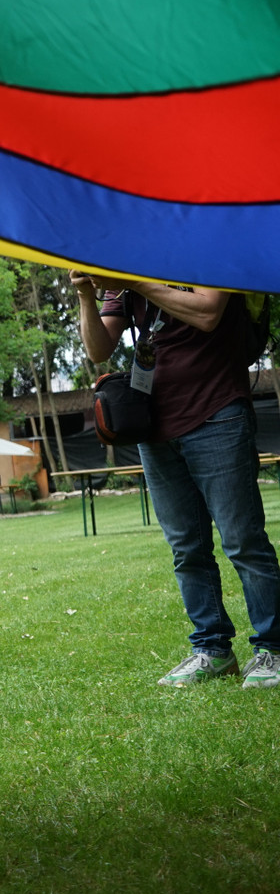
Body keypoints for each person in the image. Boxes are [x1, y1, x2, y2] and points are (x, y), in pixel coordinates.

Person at [72, 273, 280, 687]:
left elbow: (207, 312)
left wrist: (133, 283)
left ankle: (273, 649)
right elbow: (98, 349)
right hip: (152, 424)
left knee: (243, 540)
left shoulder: (203, 252)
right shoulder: (125, 274)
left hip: (218, 411)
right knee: (186, 548)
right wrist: (85, 294)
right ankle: (212, 650)